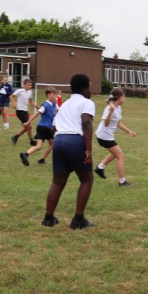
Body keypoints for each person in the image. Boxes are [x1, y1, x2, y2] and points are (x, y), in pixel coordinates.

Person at [42, 74, 95, 229]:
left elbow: (53, 128)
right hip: (75, 141)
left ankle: (48, 218)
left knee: (57, 182)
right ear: (85, 89)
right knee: (87, 180)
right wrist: (88, 149)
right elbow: (86, 123)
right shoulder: (87, 102)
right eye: (89, 87)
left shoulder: (64, 104)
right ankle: (78, 220)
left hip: (59, 141)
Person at [94, 88, 136, 186]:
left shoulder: (118, 108)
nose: (125, 99)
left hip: (107, 136)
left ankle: (100, 168)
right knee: (120, 156)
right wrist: (110, 112)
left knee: (115, 154)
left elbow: (118, 123)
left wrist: (129, 131)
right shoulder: (109, 108)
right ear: (120, 97)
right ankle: (122, 181)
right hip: (104, 136)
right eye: (124, 97)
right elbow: (106, 124)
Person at [20, 86, 58, 166]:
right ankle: (42, 160)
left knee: (39, 146)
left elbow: (60, 110)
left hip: (41, 127)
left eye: (55, 94)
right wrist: (27, 122)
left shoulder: (54, 104)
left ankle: (26, 154)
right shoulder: (45, 105)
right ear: (48, 95)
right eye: (53, 94)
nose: (55, 96)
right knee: (52, 144)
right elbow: (36, 114)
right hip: (45, 128)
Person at [10, 78, 39, 146]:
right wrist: (14, 103)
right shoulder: (19, 91)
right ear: (24, 85)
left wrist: (36, 106)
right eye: (28, 85)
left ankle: (15, 137)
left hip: (25, 112)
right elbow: (11, 96)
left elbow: (30, 101)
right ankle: (31, 141)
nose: (30, 86)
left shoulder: (30, 92)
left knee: (27, 127)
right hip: (20, 111)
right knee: (29, 126)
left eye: (31, 85)